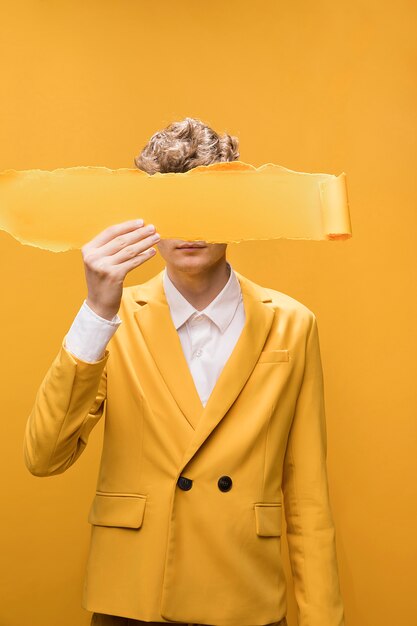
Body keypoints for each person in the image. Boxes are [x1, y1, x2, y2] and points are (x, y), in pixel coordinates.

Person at [24, 117, 345, 626]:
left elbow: (308, 498)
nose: (189, 226)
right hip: (133, 597)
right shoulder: (112, 319)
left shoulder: (292, 324)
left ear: (234, 211)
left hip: (245, 597)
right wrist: (97, 312)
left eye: (207, 203)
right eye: (171, 205)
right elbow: (44, 456)